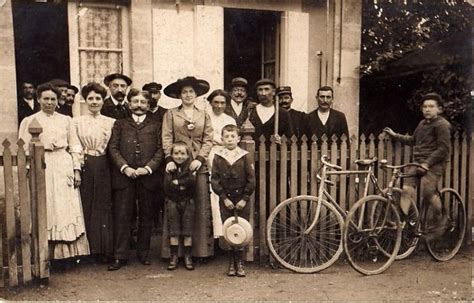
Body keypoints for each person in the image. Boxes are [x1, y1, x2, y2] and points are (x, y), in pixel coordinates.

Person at [18, 83, 90, 261]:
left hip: (62, 163)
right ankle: (44, 254)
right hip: (41, 163)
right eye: (46, 99)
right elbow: (24, 149)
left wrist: (76, 170)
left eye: (53, 99)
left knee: (65, 206)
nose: (49, 102)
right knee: (46, 205)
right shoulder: (29, 120)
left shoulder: (66, 120)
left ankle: (66, 254)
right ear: (38, 99)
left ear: (58, 101)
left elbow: (74, 145)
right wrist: (28, 170)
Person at [107, 89, 164, 270]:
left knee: (146, 215)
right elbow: (113, 148)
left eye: (143, 102)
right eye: (135, 102)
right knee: (123, 215)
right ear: (129, 104)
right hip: (125, 177)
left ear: (148, 105)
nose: (139, 105)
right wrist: (125, 168)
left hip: (147, 177)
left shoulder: (156, 124)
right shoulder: (120, 124)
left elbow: (161, 149)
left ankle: (143, 253)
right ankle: (120, 255)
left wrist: (147, 168)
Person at [161, 76, 214, 263]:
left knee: (197, 204)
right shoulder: (171, 114)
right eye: (185, 92)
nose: (188, 95)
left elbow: (208, 139)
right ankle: (174, 253)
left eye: (191, 91)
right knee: (174, 205)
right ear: (179, 95)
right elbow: (166, 137)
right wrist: (169, 159)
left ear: (196, 94)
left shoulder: (204, 114)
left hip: (196, 164)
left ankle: (198, 252)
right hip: (177, 162)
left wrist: (200, 158)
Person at [384, 92, 451, 239]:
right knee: (406, 189)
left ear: (439, 109)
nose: (427, 109)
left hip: (434, 164)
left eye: (431, 106)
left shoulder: (442, 125)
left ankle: (441, 218)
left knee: (428, 192)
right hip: (418, 163)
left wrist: (427, 163)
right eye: (425, 106)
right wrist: (396, 136)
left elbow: (443, 149)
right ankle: (401, 222)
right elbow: (413, 140)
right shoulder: (421, 124)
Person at [70, 82, 115, 263]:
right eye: (90, 99)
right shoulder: (76, 122)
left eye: (98, 98)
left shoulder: (111, 122)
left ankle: (104, 248)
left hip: (105, 164)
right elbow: (75, 146)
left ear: (103, 101)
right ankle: (89, 250)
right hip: (87, 164)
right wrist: (77, 170)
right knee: (87, 204)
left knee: (104, 206)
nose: (94, 102)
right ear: (85, 100)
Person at [211, 124, 255, 277]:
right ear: (222, 139)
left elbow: (251, 180)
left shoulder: (244, 156)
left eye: (232, 137)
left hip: (242, 198)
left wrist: (245, 198)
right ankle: (231, 263)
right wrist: (223, 198)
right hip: (226, 199)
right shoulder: (218, 156)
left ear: (238, 139)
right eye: (226, 137)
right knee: (229, 229)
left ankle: (240, 263)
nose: (229, 140)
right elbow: (215, 180)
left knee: (241, 229)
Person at [206, 89, 237, 238]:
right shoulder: (205, 117)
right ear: (210, 102)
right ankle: (212, 235)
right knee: (211, 195)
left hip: (225, 156)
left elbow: (231, 140)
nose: (219, 106)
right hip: (208, 155)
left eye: (222, 103)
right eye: (216, 102)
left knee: (224, 193)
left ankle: (225, 234)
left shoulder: (230, 120)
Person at [163, 142, 197, 270]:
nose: (179, 156)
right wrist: (182, 184)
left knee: (187, 230)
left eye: (183, 153)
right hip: (173, 201)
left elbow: (193, 182)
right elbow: (167, 186)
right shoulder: (169, 168)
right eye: (176, 153)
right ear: (171, 155)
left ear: (188, 155)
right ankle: (174, 257)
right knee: (174, 231)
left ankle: (188, 257)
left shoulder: (190, 168)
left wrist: (178, 182)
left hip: (188, 201)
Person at [248, 78, 293, 145]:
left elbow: (291, 139)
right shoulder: (250, 112)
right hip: (253, 153)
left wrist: (282, 141)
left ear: (274, 92)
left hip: (275, 154)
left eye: (266, 89)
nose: (263, 93)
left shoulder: (283, 114)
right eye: (260, 90)